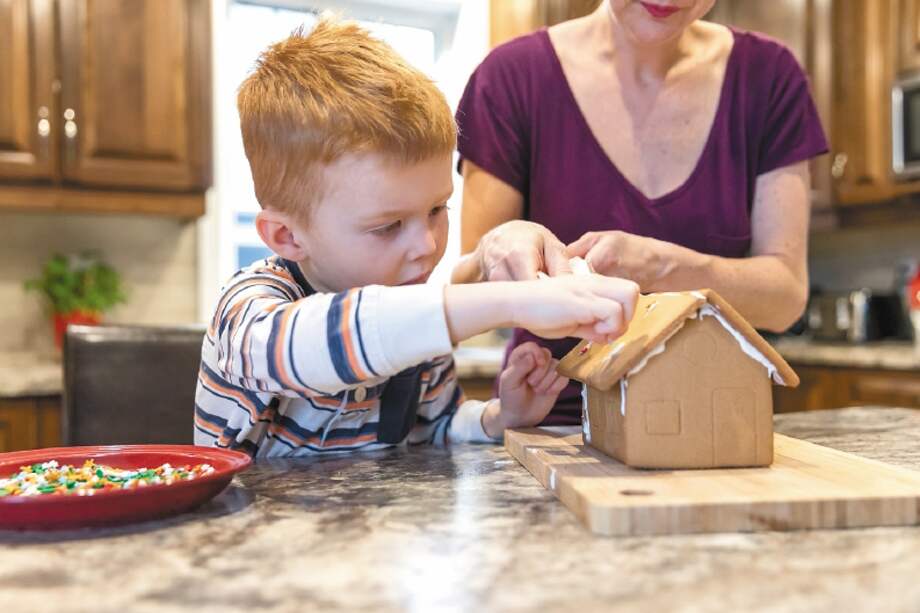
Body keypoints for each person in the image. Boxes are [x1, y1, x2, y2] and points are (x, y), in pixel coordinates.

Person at [193, 18, 639, 456]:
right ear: (287, 236)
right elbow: (341, 337)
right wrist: (515, 299)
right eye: (387, 226)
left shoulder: (411, 305)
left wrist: (498, 416)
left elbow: (436, 426)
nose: (426, 245)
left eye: (436, 210)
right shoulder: (248, 313)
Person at [452, 0, 829, 425]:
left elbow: (784, 299)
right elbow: (469, 287)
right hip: (550, 426)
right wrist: (496, 249)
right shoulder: (510, 78)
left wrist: (660, 267)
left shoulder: (770, 77)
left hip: (717, 427)